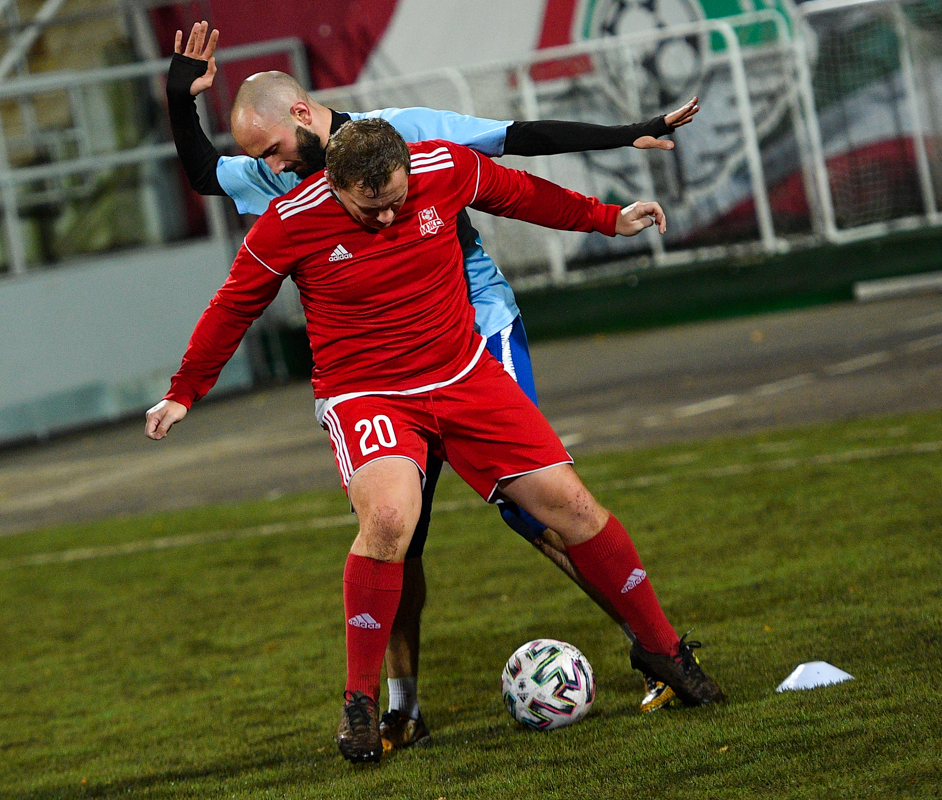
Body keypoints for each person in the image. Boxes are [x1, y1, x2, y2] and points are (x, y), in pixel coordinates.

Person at [166, 22, 702, 743]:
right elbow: (207, 180)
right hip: (376, 377)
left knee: (537, 510)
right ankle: (400, 705)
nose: (267, 165)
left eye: (271, 150)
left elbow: (515, 146)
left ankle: (654, 650)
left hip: (473, 334)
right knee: (395, 531)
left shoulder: (416, 139)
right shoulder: (283, 186)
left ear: (299, 114)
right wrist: (180, 99)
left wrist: (625, 138)